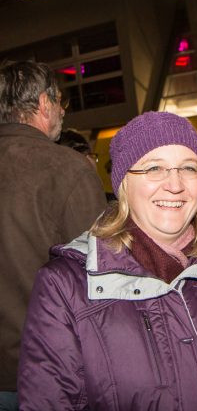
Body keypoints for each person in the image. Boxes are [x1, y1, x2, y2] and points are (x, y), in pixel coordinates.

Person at [18, 111, 197, 410]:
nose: (175, 184)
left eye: (189, 168)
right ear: (124, 184)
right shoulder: (65, 286)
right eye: (154, 168)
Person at [0, 61, 107, 410]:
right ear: (45, 103)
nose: (62, 110)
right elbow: (100, 277)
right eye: (60, 101)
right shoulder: (66, 168)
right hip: (48, 373)